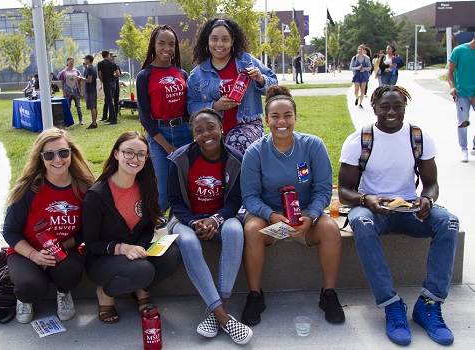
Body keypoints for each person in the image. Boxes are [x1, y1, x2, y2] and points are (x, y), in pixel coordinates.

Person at [338, 85, 459, 346]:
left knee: (449, 222)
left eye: (398, 106)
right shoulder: (359, 140)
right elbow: (345, 191)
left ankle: (429, 304)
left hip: (409, 209)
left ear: (405, 107)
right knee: (361, 221)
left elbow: (431, 184)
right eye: (385, 107)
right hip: (373, 209)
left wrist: (427, 199)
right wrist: (365, 199)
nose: (392, 112)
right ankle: (391, 305)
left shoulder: (419, 136)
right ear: (374, 108)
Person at [240, 85, 345, 326]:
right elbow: (250, 197)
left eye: (288, 115)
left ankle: (328, 294)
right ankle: (255, 296)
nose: (282, 122)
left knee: (330, 229)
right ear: (266, 121)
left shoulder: (313, 146)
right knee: (252, 229)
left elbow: (322, 189)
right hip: (268, 214)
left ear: (296, 118)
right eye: (275, 116)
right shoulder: (255, 152)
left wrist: (313, 216)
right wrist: (272, 215)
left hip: (306, 213)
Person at [167, 108, 252, 345]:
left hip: (221, 217)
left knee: (236, 230)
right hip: (185, 218)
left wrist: (216, 219)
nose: (206, 134)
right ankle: (225, 318)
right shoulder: (179, 159)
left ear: (222, 127)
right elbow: (174, 201)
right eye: (199, 130)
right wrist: (193, 222)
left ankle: (216, 314)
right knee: (187, 240)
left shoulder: (235, 159)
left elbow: (236, 200)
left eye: (211, 127)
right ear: (193, 134)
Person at [82, 131, 181, 324]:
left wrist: (140, 248)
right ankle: (105, 292)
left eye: (141, 154)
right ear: (116, 154)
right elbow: (92, 243)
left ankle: (140, 290)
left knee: (173, 254)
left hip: (136, 254)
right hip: (104, 259)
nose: (135, 159)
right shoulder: (97, 195)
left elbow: (148, 226)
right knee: (142, 270)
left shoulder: (147, 186)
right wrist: (123, 249)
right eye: (129, 152)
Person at [1, 128, 95, 324]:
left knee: (70, 273)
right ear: (41, 158)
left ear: (71, 153)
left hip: (64, 249)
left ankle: (63, 293)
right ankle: (24, 299)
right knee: (29, 287)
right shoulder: (29, 188)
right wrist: (34, 255)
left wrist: (58, 249)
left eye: (63, 152)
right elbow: (10, 231)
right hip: (26, 250)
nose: (57, 159)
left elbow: (88, 230)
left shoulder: (84, 188)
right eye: (49, 154)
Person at [187, 17, 277, 154]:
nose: (219, 44)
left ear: (232, 41)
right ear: (208, 41)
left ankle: (243, 175)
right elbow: (191, 106)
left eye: (225, 39)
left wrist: (260, 79)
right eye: (214, 39)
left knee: (235, 142)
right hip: (213, 131)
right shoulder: (197, 75)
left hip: (248, 125)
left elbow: (274, 85)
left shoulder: (246, 61)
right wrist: (215, 106)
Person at [136, 24, 191, 213]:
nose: (167, 48)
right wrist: (167, 146)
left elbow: (189, 108)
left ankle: (182, 224)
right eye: (161, 43)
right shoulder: (145, 75)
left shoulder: (182, 74)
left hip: (185, 132)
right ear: (154, 45)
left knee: (185, 186)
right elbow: (144, 118)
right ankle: (152, 227)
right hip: (160, 136)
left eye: (171, 44)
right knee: (163, 192)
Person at [446, 34, 475, 162]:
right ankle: (464, 149)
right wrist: (452, 87)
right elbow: (450, 71)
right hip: (462, 93)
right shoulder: (459, 51)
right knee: (463, 121)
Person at [97, 50, 120, 125]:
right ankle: (110, 117)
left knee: (109, 101)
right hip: (113, 83)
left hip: (107, 83)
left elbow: (100, 75)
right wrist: (112, 77)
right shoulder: (113, 64)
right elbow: (118, 74)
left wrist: (103, 80)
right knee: (110, 100)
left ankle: (113, 119)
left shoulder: (100, 64)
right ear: (108, 55)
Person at [58, 58, 83, 125]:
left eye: (72, 62)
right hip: (67, 91)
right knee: (67, 107)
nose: (71, 63)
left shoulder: (77, 71)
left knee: (78, 106)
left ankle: (81, 120)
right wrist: (63, 92)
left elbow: (80, 82)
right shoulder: (63, 72)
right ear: (67, 63)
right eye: (70, 62)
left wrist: (81, 91)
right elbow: (62, 83)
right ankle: (68, 121)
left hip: (76, 91)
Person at [79, 55, 98, 129]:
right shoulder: (92, 68)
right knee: (95, 106)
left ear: (88, 60)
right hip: (93, 89)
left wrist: (80, 78)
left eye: (85, 59)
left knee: (92, 107)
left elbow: (89, 80)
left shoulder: (90, 69)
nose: (84, 61)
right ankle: (95, 122)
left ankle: (94, 123)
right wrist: (85, 68)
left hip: (90, 90)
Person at [349, 44, 372, 108]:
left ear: (364, 50)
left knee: (362, 90)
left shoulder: (367, 58)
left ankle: (360, 103)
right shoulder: (354, 58)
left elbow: (370, 67)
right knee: (356, 90)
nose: (360, 51)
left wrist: (365, 69)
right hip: (357, 75)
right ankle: (357, 97)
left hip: (364, 75)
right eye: (359, 49)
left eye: (361, 49)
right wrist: (357, 68)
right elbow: (350, 67)